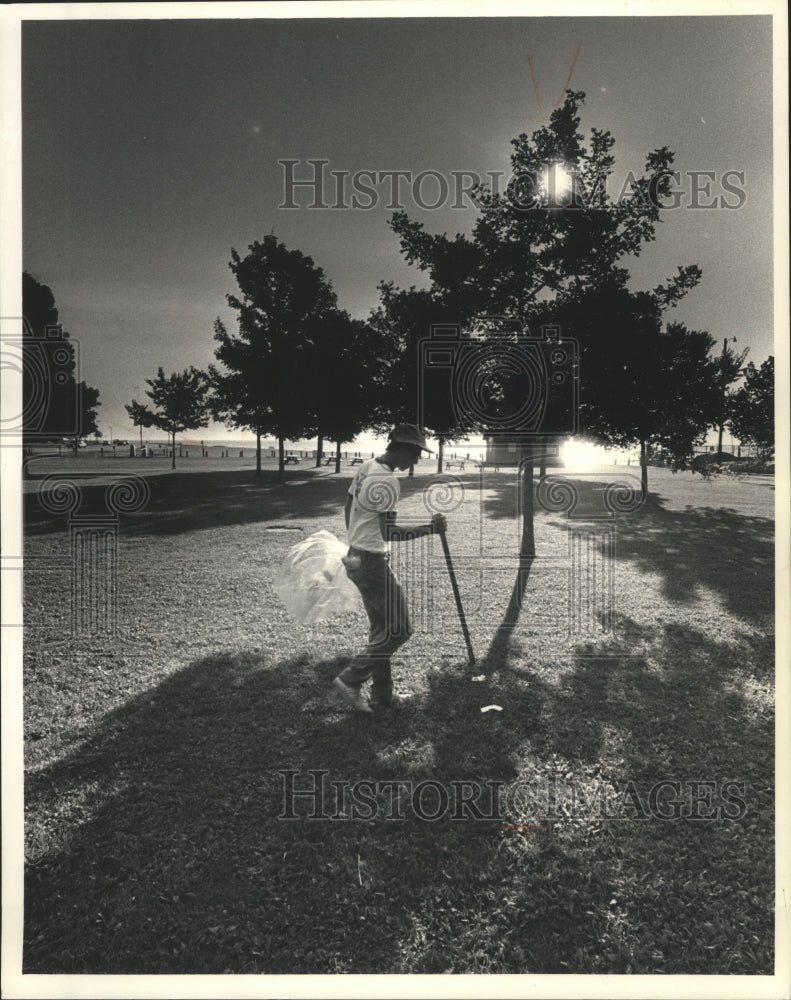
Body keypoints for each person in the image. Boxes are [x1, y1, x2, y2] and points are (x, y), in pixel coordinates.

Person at [333, 424, 446, 714]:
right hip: (370, 561)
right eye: (417, 453)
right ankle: (351, 679)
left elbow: (348, 506)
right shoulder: (388, 482)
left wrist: (355, 540)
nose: (417, 460)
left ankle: (383, 696)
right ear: (404, 448)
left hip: (356, 556)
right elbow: (389, 533)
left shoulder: (367, 467)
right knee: (400, 630)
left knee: (381, 628)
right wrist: (429, 529)